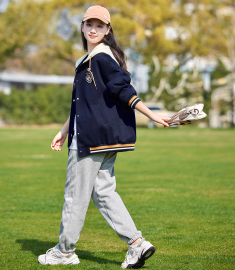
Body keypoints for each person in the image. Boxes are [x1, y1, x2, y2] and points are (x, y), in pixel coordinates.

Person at [38, 5, 169, 269]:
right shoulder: (87, 60)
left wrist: (151, 114)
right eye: (90, 25)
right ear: (83, 27)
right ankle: (137, 245)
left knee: (75, 196)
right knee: (104, 193)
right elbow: (81, 106)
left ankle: (65, 252)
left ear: (108, 30)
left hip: (92, 141)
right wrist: (64, 131)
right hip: (100, 139)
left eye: (100, 26)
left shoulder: (101, 58)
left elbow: (123, 89)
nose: (94, 30)